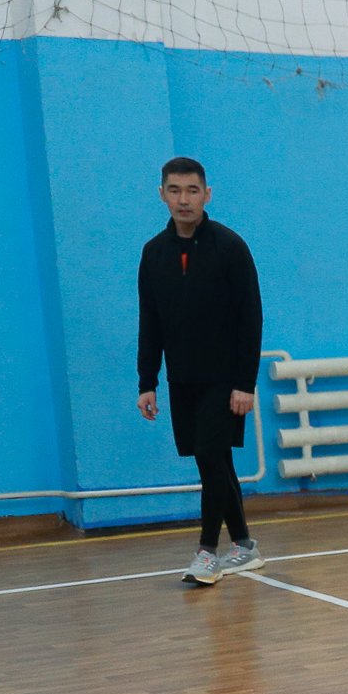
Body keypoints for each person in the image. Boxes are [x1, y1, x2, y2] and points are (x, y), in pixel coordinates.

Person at [137, 157, 264, 587]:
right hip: (182, 379)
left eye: (192, 190)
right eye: (175, 190)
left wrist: (245, 383)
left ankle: (207, 553)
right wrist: (147, 381)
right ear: (162, 195)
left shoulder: (230, 247)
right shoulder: (153, 253)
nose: (184, 199)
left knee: (211, 458)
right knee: (214, 460)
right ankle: (244, 545)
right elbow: (150, 320)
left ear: (207, 194)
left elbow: (251, 318)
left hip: (224, 380)